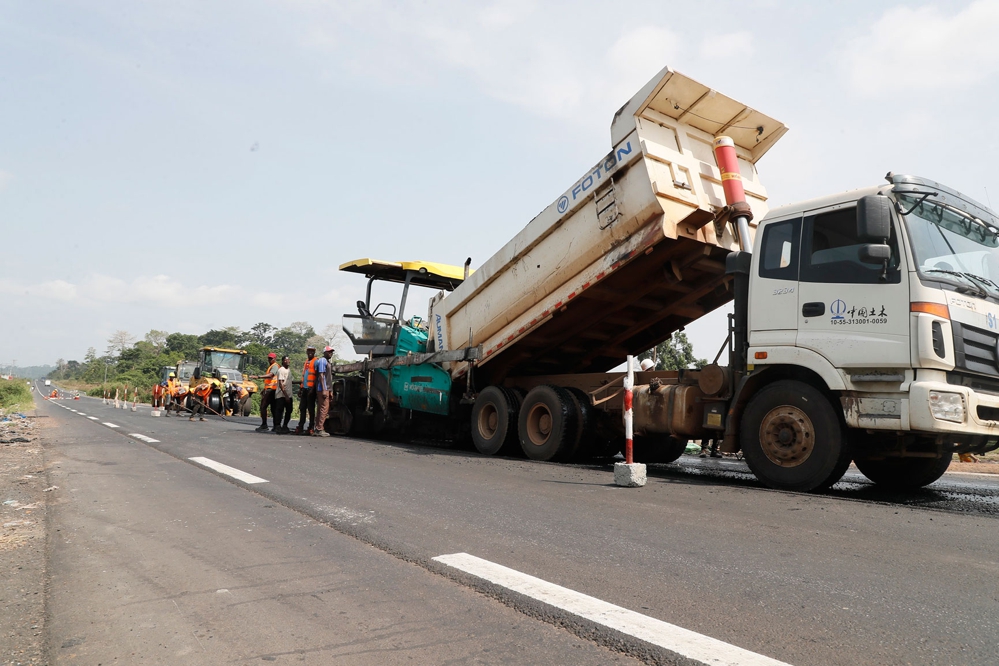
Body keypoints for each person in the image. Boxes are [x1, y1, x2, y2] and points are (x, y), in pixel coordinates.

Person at [252, 353, 280, 432]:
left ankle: (264, 425)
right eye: (269, 358)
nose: (270, 360)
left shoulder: (275, 366)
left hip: (271, 390)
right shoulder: (272, 366)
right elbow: (269, 381)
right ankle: (275, 426)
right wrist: (264, 389)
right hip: (272, 389)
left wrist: (258, 377)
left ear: (275, 359)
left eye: (271, 358)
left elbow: (270, 375)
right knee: (273, 408)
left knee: (263, 406)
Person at [296, 346, 317, 435]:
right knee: (302, 408)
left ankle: (311, 427)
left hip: (311, 389)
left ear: (314, 352)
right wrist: (300, 388)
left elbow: (317, 376)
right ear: (307, 352)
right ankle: (301, 426)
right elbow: (304, 376)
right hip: (304, 388)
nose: (310, 353)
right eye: (309, 351)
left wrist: (313, 389)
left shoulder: (316, 361)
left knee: (311, 409)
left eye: (312, 351)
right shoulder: (306, 362)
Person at [314, 346, 334, 437]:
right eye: (329, 352)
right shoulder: (322, 361)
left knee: (321, 409)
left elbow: (329, 378)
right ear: (325, 352)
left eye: (331, 352)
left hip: (326, 389)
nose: (331, 353)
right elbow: (321, 375)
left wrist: (330, 390)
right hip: (322, 389)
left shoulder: (328, 362)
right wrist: (324, 389)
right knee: (324, 409)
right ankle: (319, 429)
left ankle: (318, 428)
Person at [272, 356, 295, 434]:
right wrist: (286, 396)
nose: (287, 361)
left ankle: (285, 426)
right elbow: (281, 384)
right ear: (282, 361)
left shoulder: (288, 370)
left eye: (288, 360)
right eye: (285, 360)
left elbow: (290, 381)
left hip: (289, 394)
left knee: (289, 410)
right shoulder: (281, 370)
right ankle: (277, 426)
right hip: (281, 395)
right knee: (279, 410)